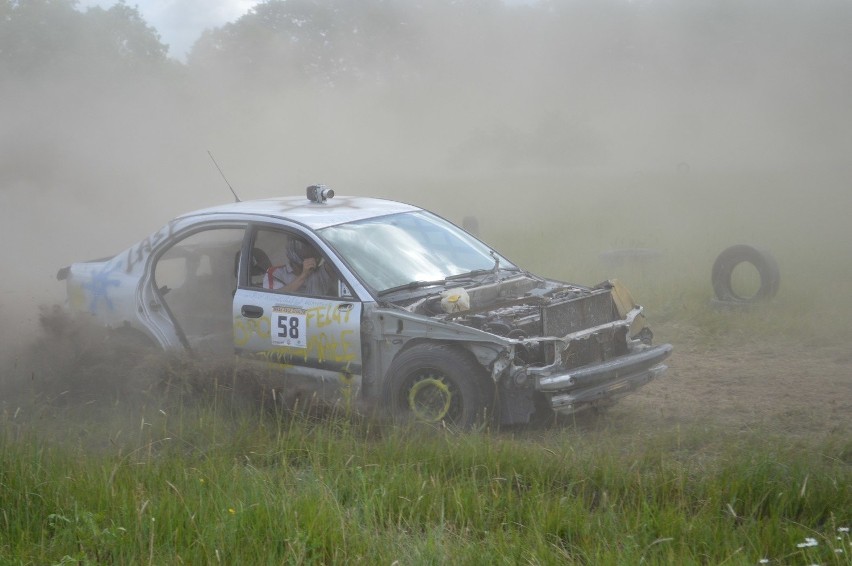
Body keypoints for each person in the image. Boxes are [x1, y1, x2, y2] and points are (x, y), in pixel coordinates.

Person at [263, 238, 333, 295]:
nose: (309, 252)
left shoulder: (322, 272)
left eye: (313, 249)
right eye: (304, 249)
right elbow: (272, 297)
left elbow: (335, 259)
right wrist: (303, 276)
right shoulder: (275, 273)